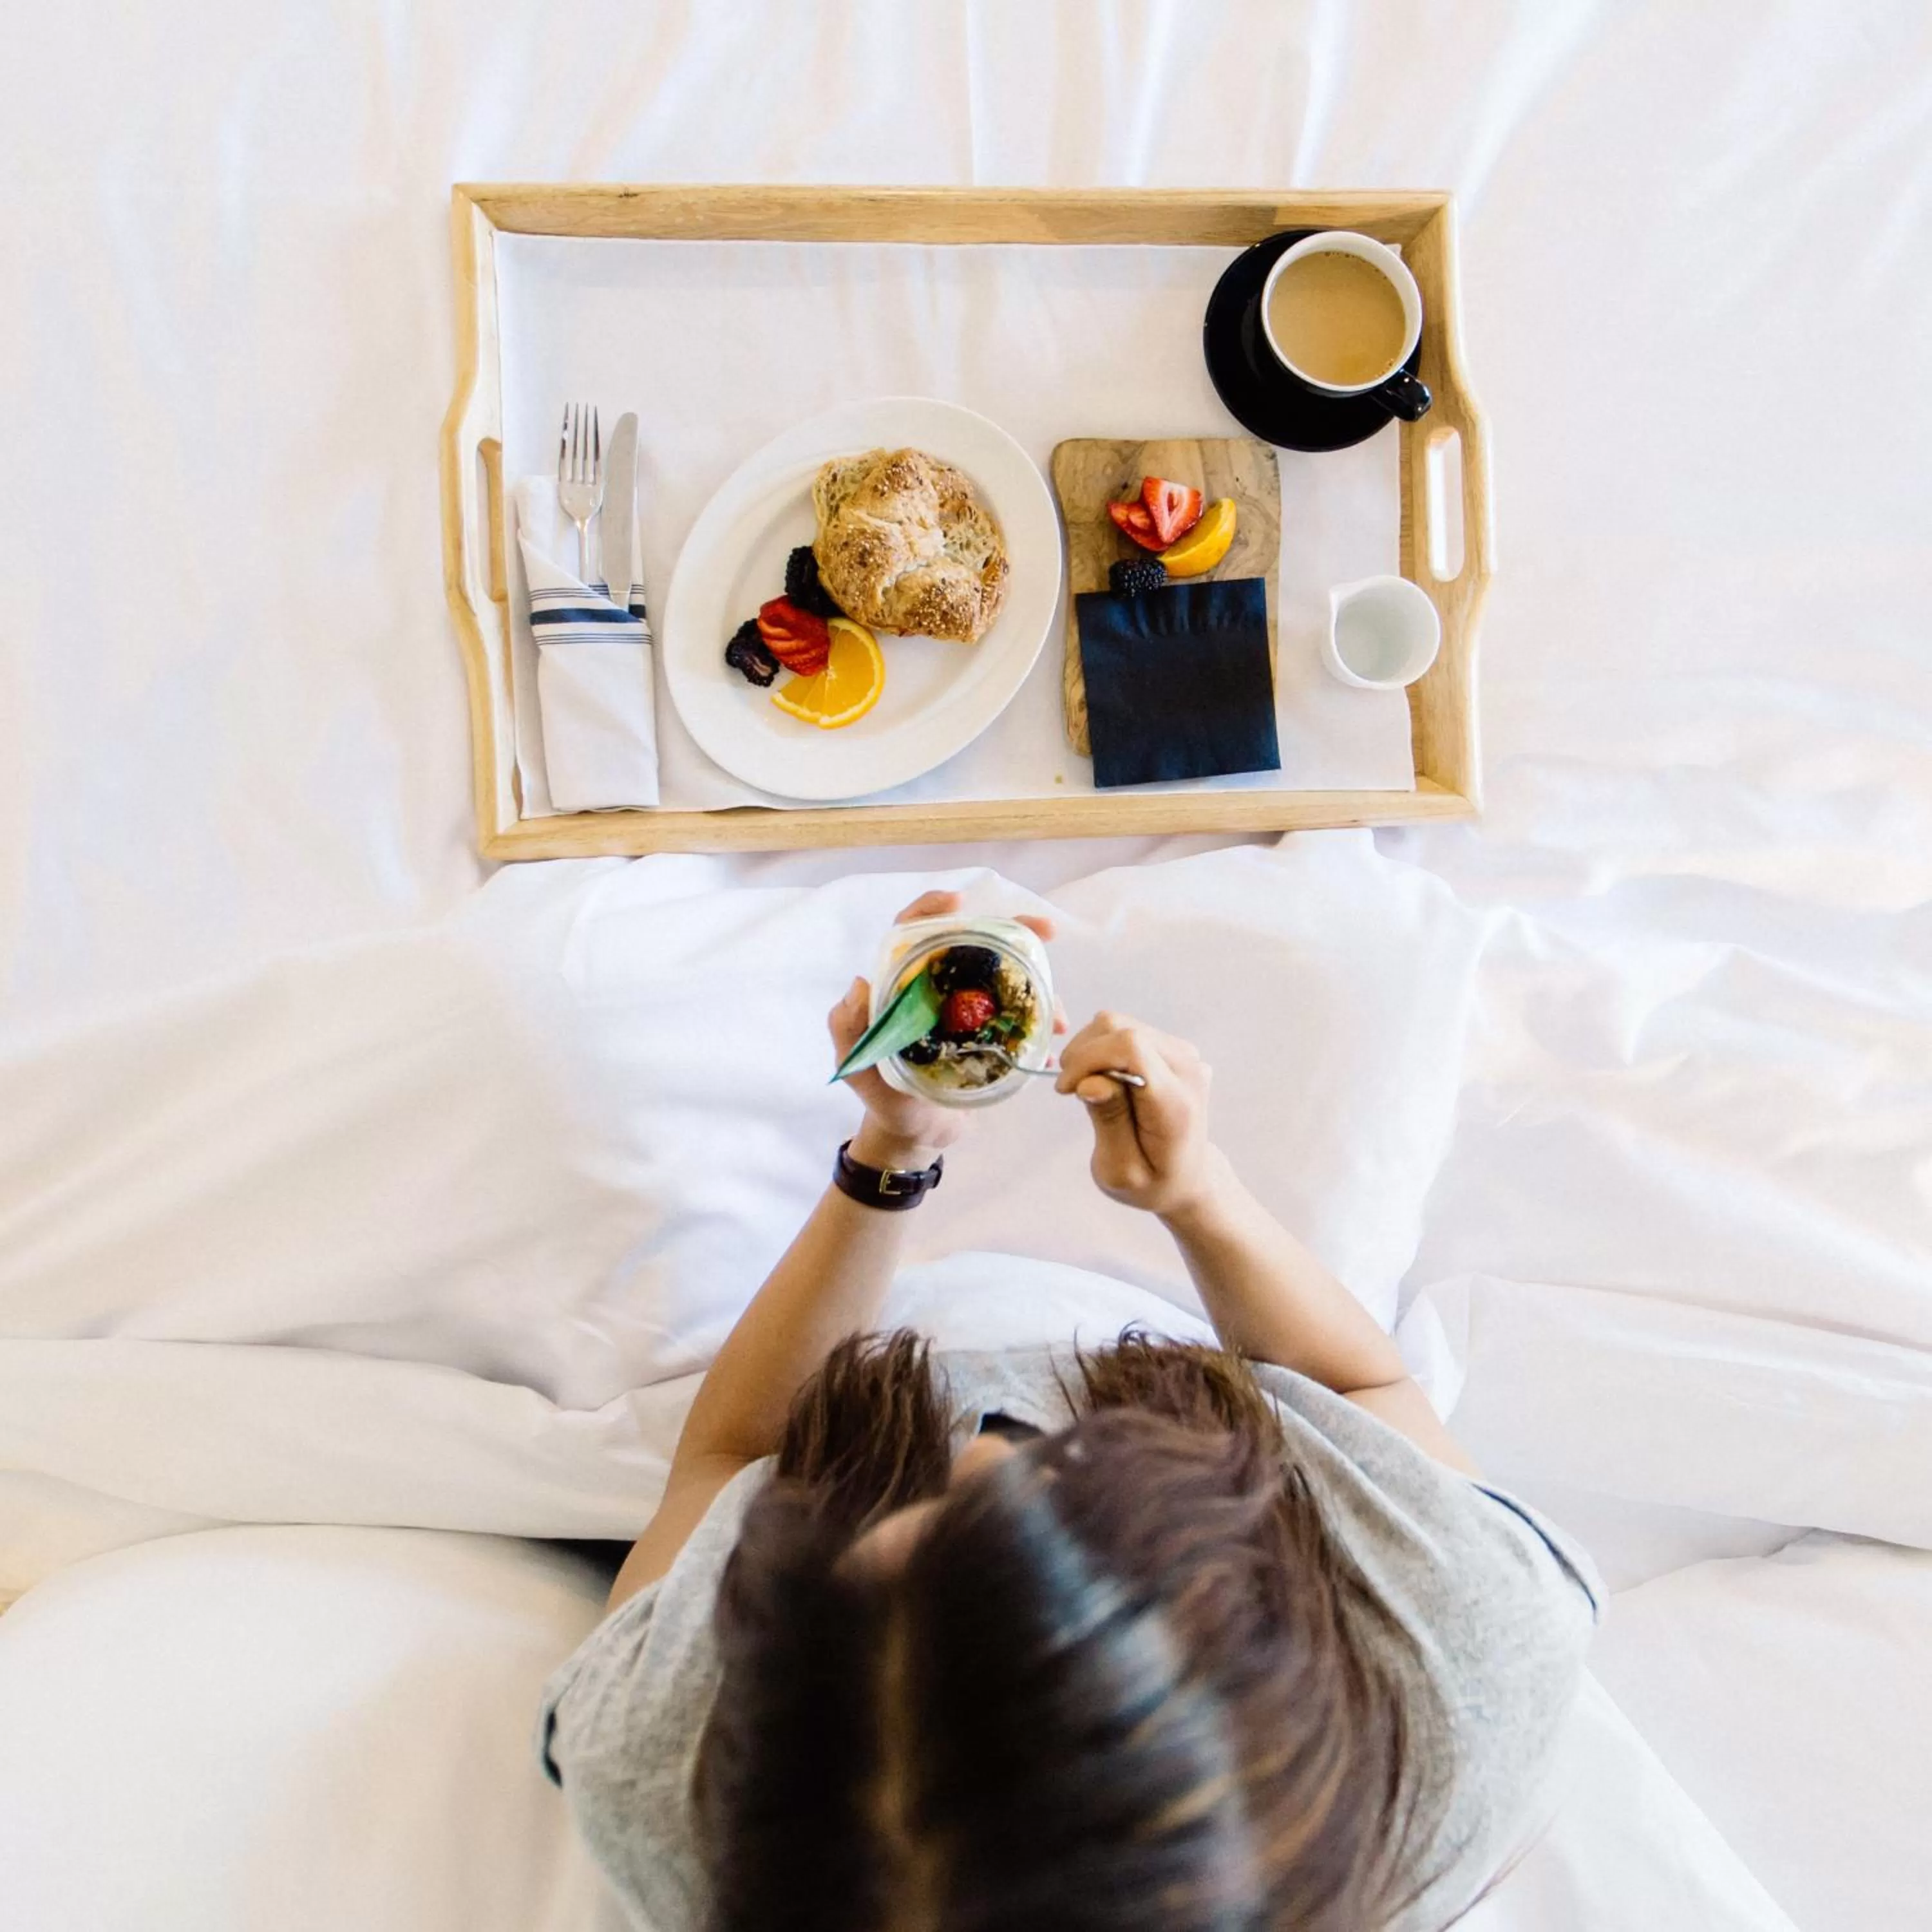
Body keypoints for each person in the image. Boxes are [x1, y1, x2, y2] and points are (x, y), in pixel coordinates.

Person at [538, 893, 1598, 1932]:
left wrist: (888, 1160)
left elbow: (730, 1457)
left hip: (833, 1339)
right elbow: (1364, 1393)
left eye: (890, 1538)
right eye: (1061, 1498)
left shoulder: (665, 1780)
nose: (984, 1449)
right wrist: (1198, 1195)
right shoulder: (1471, 1662)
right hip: (1205, 1328)